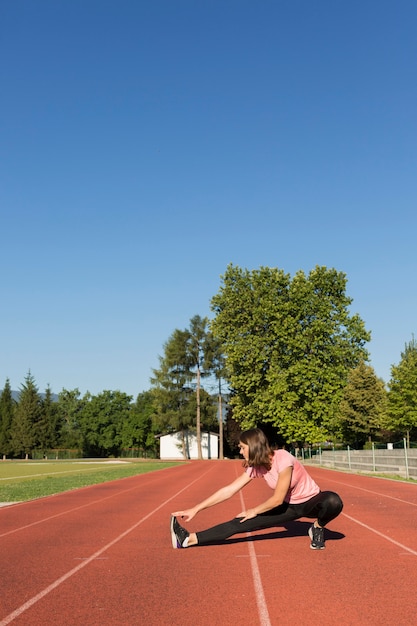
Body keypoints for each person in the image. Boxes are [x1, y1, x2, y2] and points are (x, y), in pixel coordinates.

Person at [171, 428, 343, 550]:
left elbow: (276, 498)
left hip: (311, 502)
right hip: (287, 506)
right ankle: (188, 539)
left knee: (333, 501)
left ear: (253, 446)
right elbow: (229, 490)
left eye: (242, 447)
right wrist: (196, 508)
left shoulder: (283, 458)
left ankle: (318, 527)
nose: (240, 451)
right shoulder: (256, 466)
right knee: (239, 523)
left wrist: (254, 510)